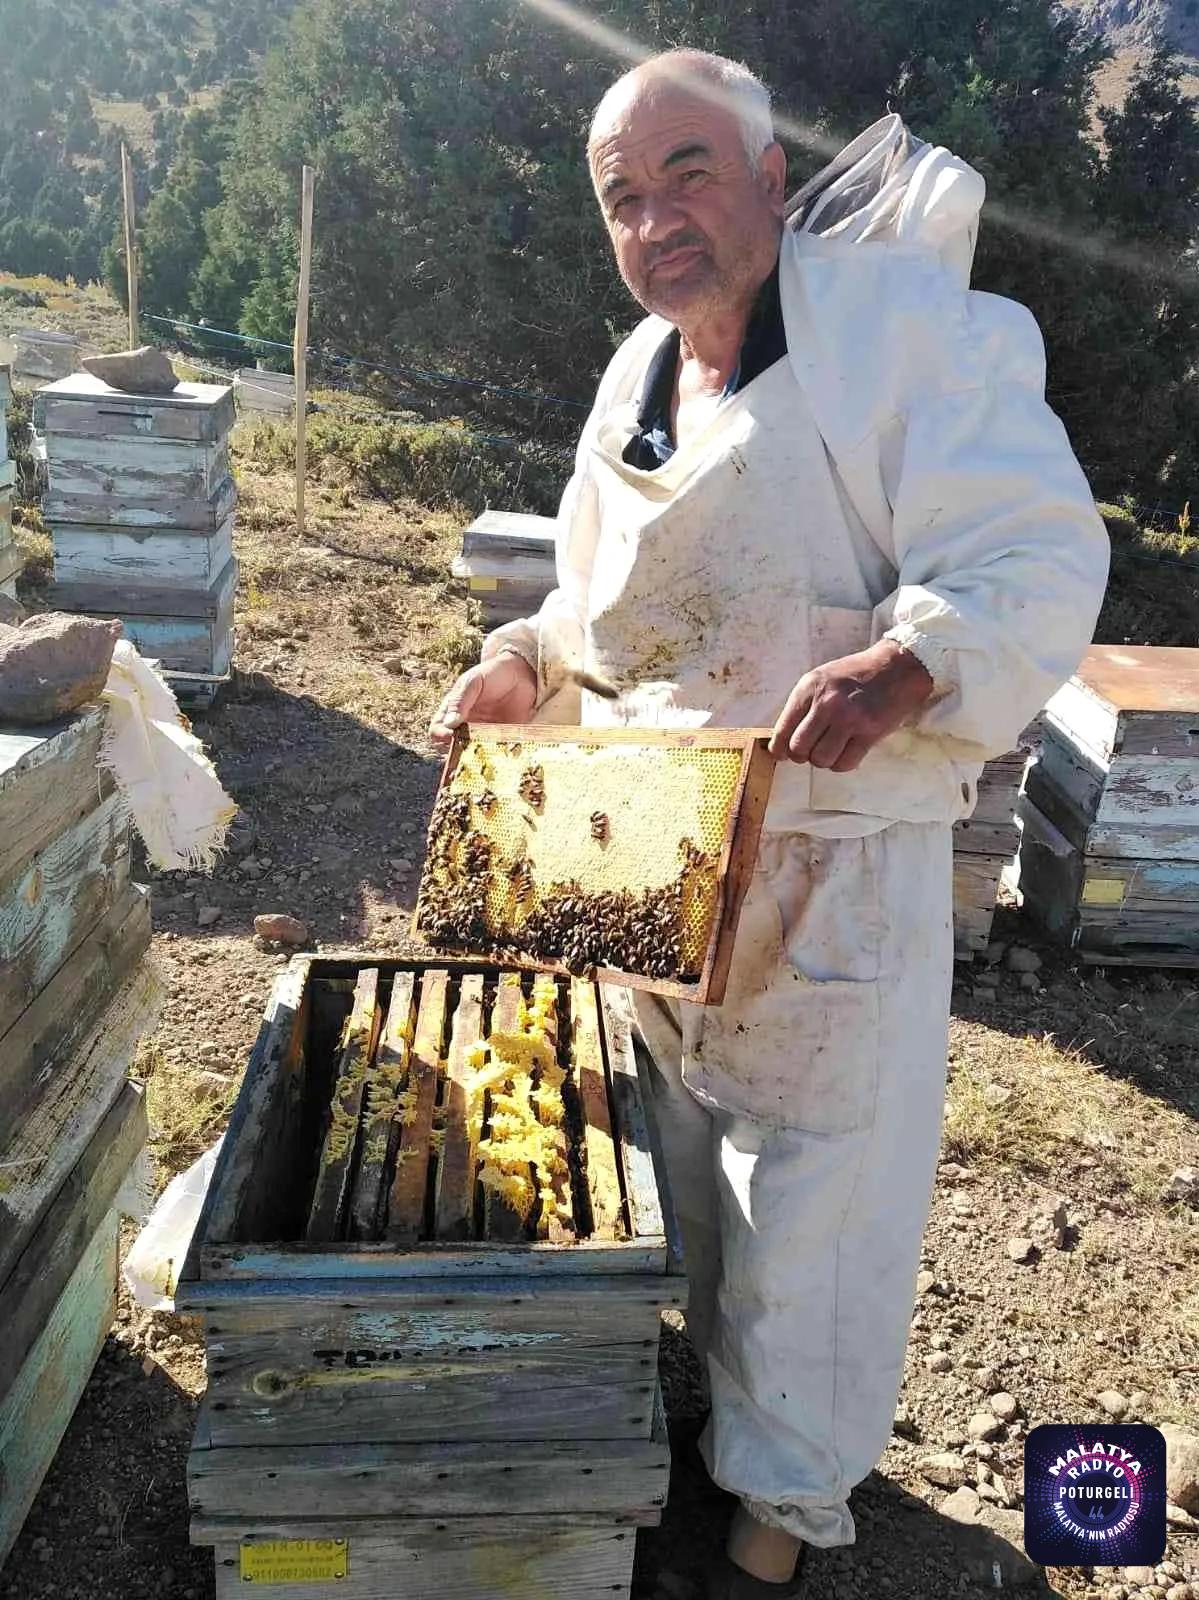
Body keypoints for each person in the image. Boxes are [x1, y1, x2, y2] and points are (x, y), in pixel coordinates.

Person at [430, 49, 1108, 1598]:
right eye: (623, 197)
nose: (657, 216)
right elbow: (588, 603)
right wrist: (517, 663)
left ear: (768, 181)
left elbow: (1033, 551)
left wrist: (913, 658)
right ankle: (701, 1414)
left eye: (688, 171)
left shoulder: (908, 337)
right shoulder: (636, 372)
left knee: (810, 1202)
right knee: (673, 1157)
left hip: (834, 869)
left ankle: (779, 1522)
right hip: (655, 856)